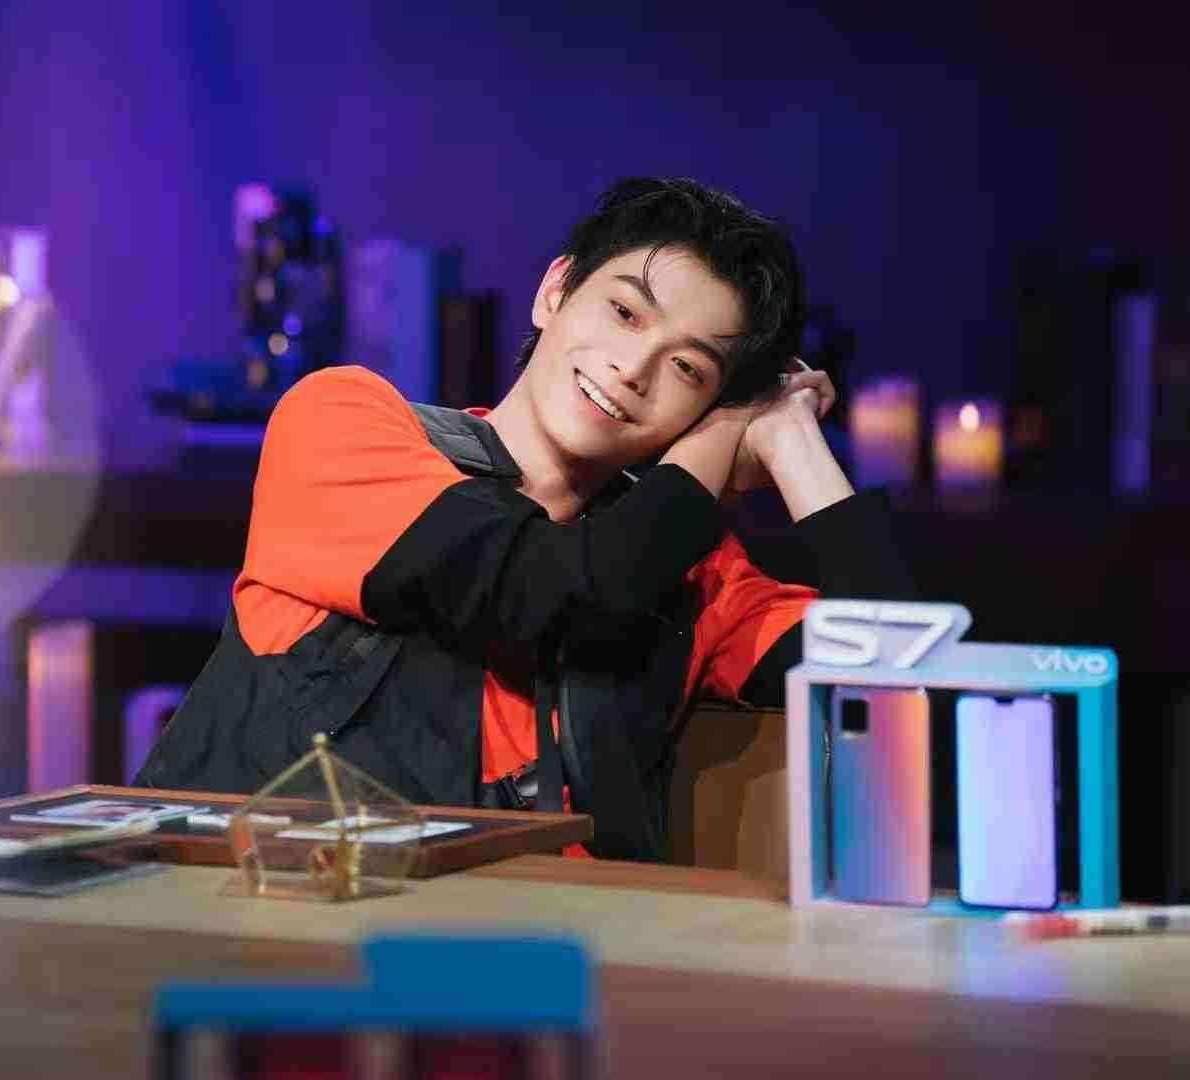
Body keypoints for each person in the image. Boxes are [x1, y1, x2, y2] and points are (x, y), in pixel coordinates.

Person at [136, 177, 913, 860]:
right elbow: (549, 594)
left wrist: (789, 439)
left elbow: (897, 674)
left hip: (544, 957)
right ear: (555, 290)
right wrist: (722, 428)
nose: (632, 368)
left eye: (687, 368)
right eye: (624, 312)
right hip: (261, 927)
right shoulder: (343, 424)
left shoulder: (693, 575)